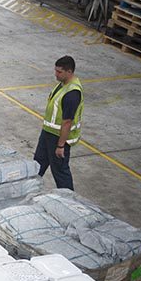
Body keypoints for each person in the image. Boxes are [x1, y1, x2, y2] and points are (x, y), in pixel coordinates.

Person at [34, 55, 83, 190]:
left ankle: (69, 199)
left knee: (60, 171)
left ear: (69, 71)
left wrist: (60, 146)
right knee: (37, 165)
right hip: (48, 133)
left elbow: (67, 122)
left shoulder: (72, 94)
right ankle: (29, 189)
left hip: (58, 137)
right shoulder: (62, 85)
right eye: (55, 70)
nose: (56, 74)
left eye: (59, 72)